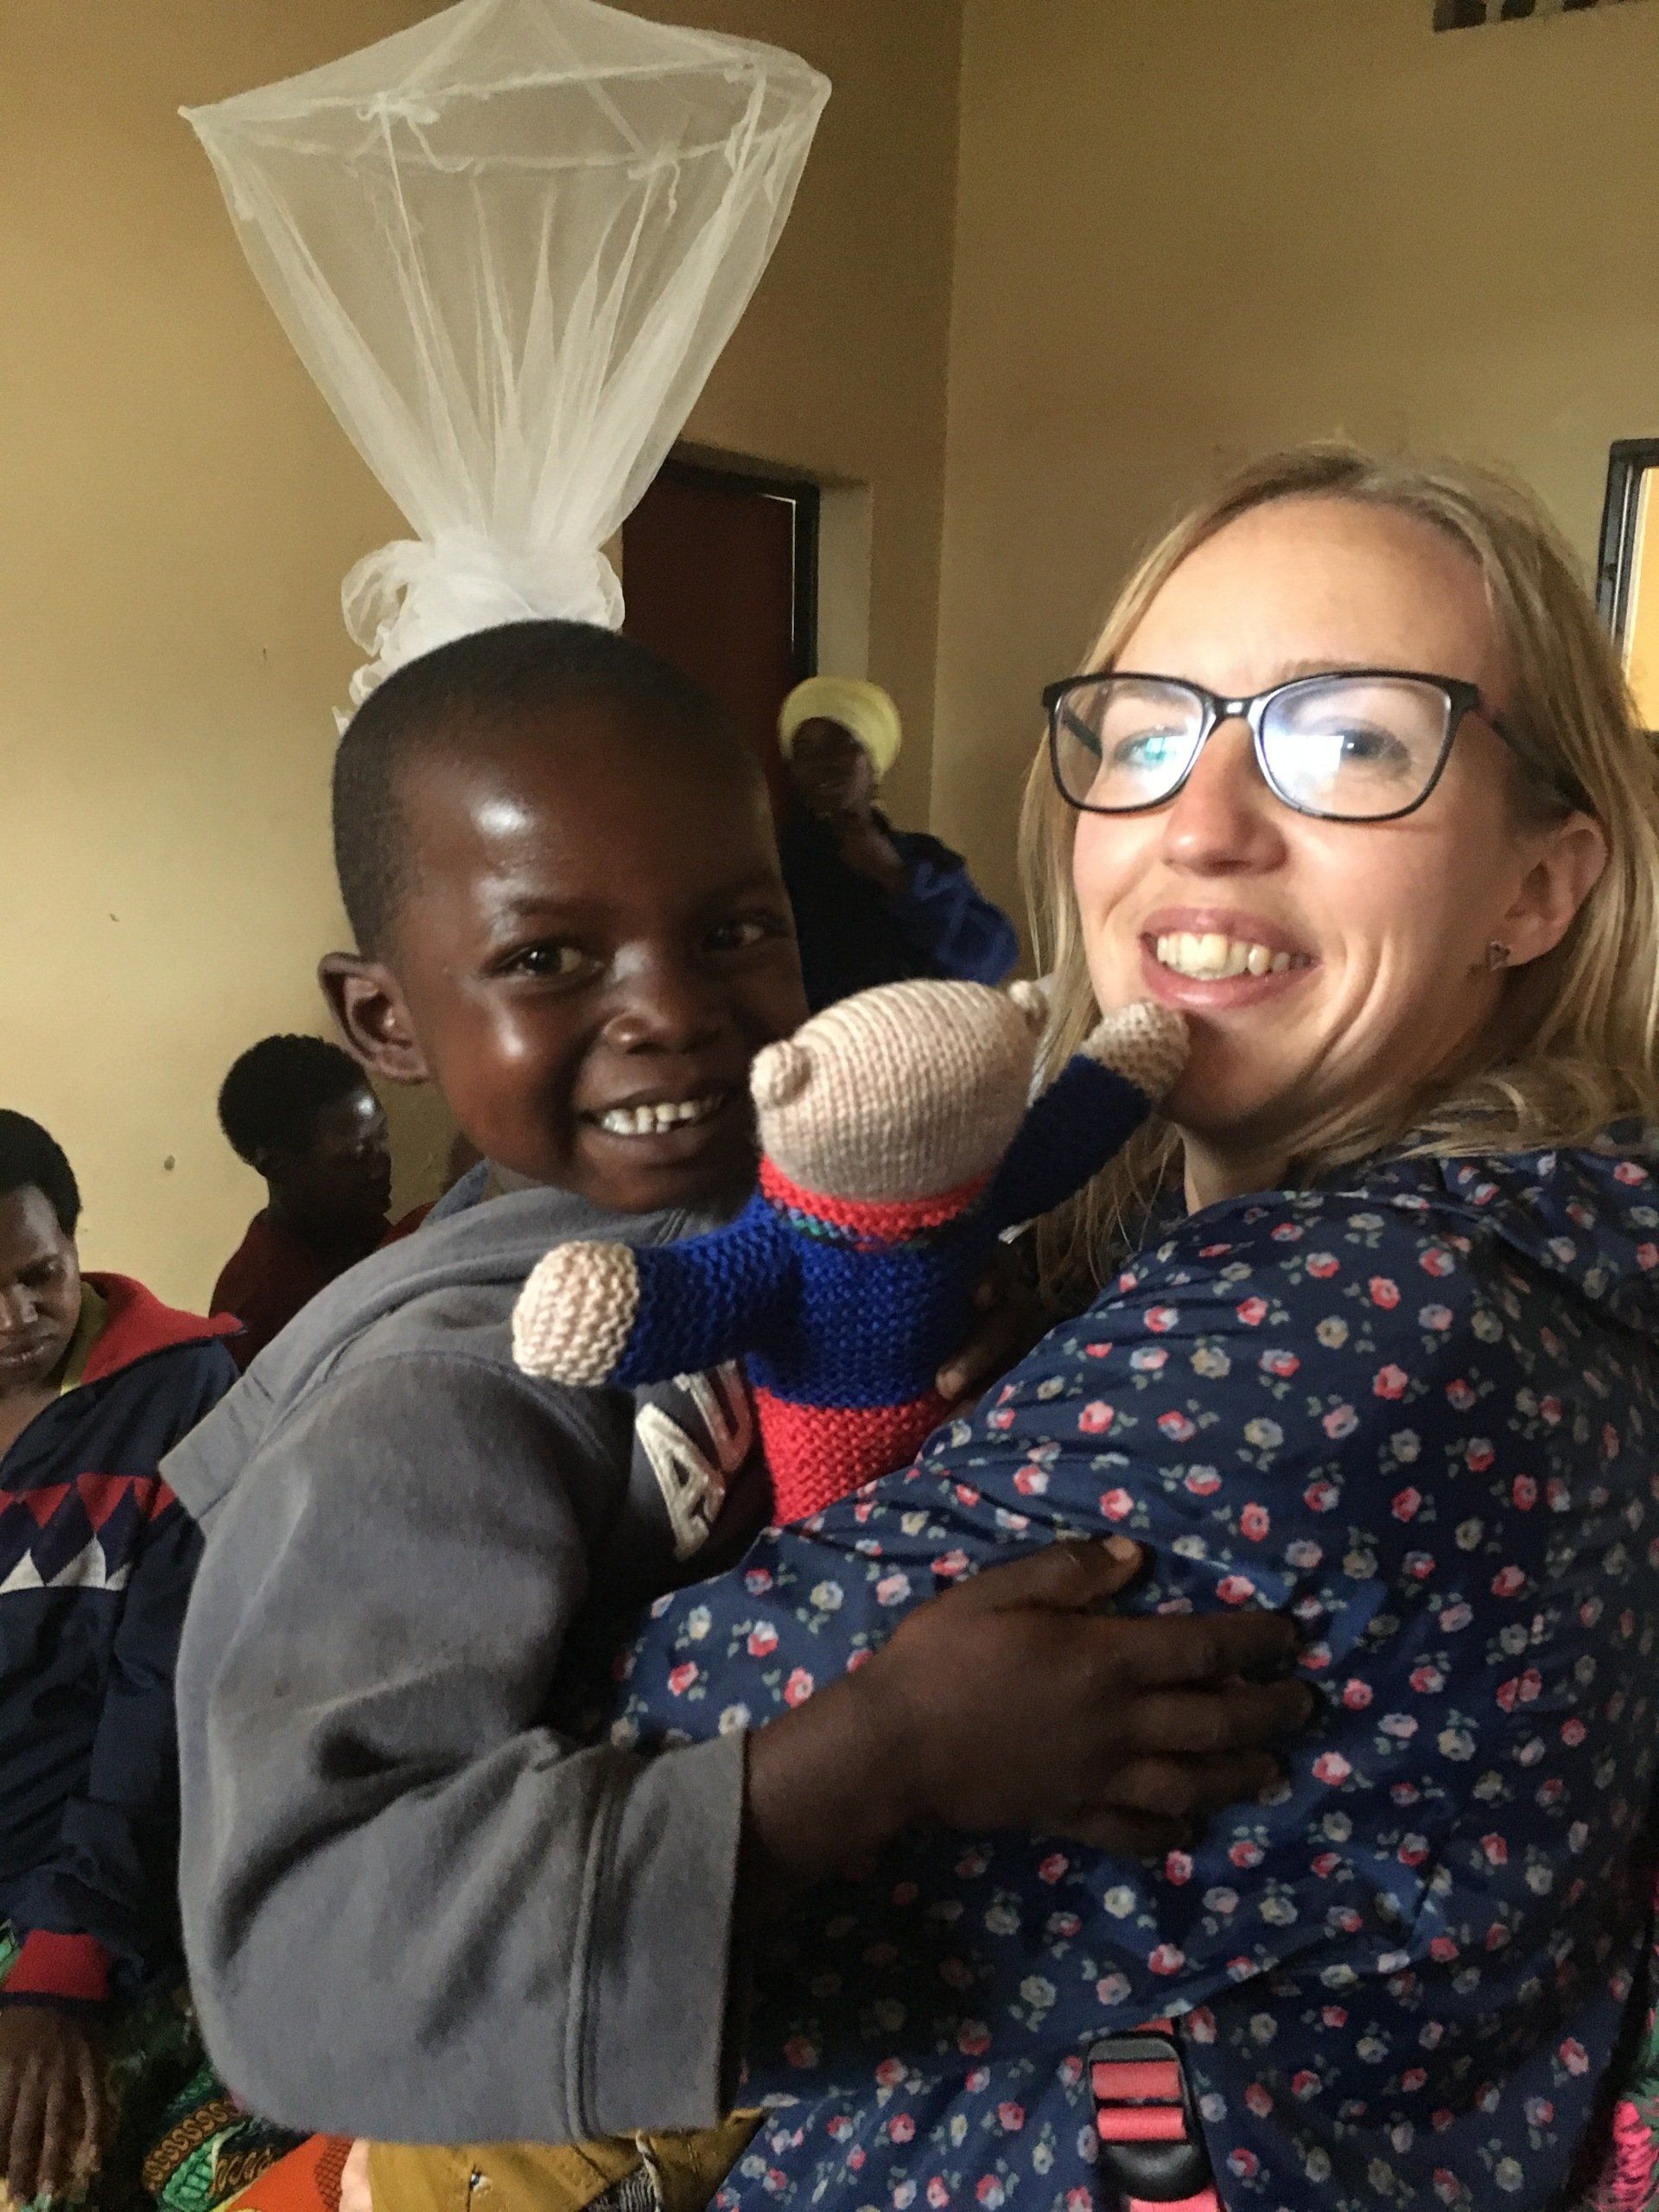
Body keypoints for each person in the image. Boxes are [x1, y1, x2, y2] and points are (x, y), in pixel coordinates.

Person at [603, 446, 1659, 2211]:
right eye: (1150, 732)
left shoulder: (1362, 1327)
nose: (1202, 824)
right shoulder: (1524, 1218)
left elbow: (605, 1833)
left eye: (1351, 742)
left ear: (1538, 888)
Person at [163, 621, 1311, 2190]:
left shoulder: (811, 1216)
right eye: (546, 958)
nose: (675, 1010)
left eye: (733, 930)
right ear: (386, 1022)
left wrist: (976, 1347)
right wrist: (886, 1750)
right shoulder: (431, 1406)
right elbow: (302, 1961)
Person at [0, 1111, 290, 2212]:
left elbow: (166, 1695)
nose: (14, 1318)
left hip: (113, 1885)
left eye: (39, 1275)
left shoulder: (181, 1395)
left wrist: (61, 1963)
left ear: (76, 1240)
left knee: (49, 2164)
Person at [775, 677, 1019, 1010]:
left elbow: (989, 959)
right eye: (805, 751)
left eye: (841, 743)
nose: (822, 762)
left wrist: (899, 880)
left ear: (874, 759)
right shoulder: (772, 865)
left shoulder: (923, 860)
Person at [210, 1037, 393, 1370]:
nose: (380, 1165)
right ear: (276, 1166)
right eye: (355, 1156)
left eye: (382, 1136)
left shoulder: (361, 1228)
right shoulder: (257, 1310)